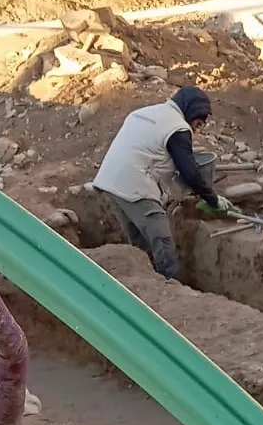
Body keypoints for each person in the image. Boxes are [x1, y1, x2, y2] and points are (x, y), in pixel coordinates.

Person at [93, 87, 233, 280]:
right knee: (162, 239)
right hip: (135, 185)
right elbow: (190, 172)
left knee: (141, 243)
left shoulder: (146, 112)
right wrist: (212, 199)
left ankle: (146, 283)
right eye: (198, 124)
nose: (196, 130)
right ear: (191, 112)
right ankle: (170, 287)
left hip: (110, 181)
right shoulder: (178, 128)